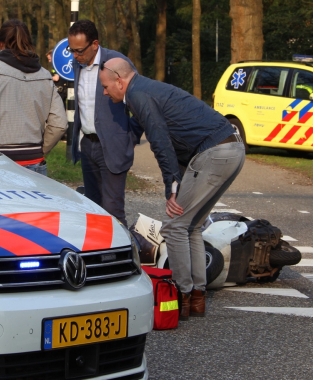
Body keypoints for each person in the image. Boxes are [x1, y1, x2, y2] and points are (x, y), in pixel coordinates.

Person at [99, 57, 245, 320]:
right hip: (232, 148)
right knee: (191, 226)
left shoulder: (139, 95)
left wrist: (172, 185)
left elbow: (160, 140)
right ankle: (197, 297)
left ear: (120, 81)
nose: (104, 91)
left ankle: (181, 295)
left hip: (215, 152)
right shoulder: (148, 89)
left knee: (175, 226)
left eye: (106, 86)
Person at [0, 20, 67, 175]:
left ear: (0, 43)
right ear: (28, 42)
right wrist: (40, 150)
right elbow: (59, 124)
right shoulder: (44, 75)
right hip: (35, 161)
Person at [68, 20, 140, 226]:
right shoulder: (77, 64)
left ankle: (120, 256)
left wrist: (128, 137)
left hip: (113, 147)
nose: (75, 56)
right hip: (87, 145)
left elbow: (140, 103)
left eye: (79, 51)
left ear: (95, 44)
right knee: (93, 209)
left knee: (113, 211)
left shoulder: (118, 62)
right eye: (71, 50)